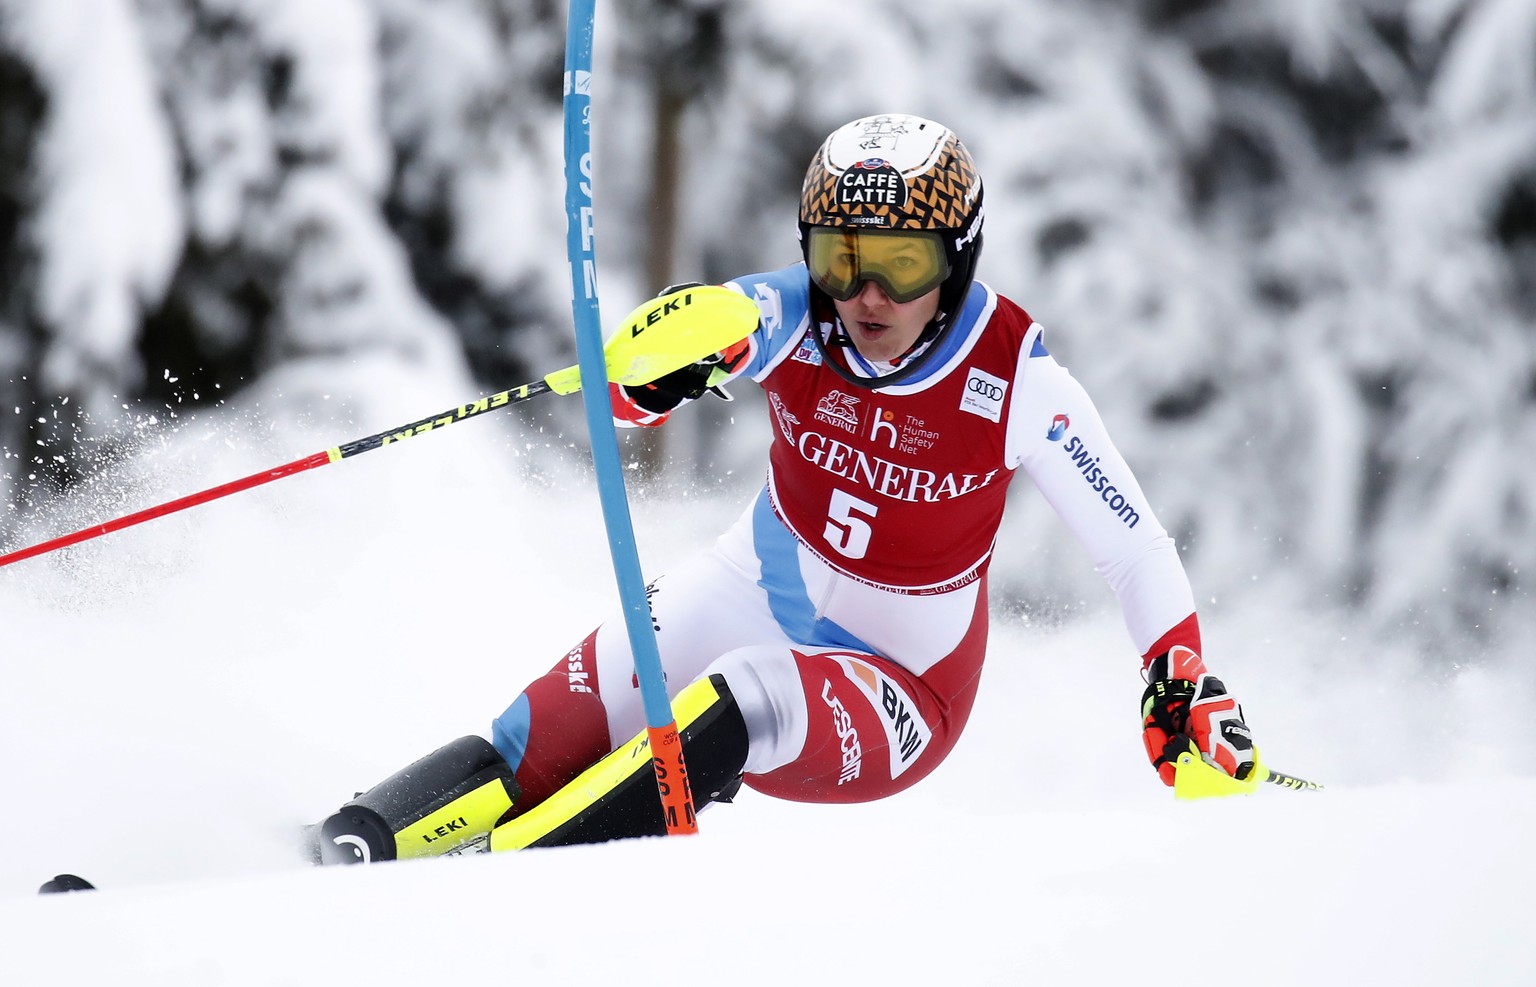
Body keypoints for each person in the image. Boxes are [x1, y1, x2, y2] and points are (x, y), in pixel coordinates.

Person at [314, 112, 1255, 864]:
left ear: (957, 259)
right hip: (757, 580)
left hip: (904, 681)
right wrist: (656, 363)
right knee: (542, 733)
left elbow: (1133, 546)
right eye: (842, 256)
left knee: (738, 700)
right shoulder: (799, 312)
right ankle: (345, 848)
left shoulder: (1017, 379)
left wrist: (1177, 678)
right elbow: (680, 351)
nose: (867, 295)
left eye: (902, 262)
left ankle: (502, 898)